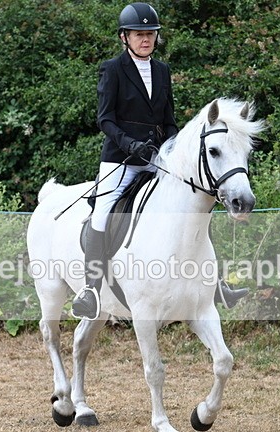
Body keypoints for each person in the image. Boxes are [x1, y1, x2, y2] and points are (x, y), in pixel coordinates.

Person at [71, 2, 247, 320]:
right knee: (102, 212)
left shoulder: (162, 71)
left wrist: (170, 150)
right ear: (125, 37)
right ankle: (91, 290)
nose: (146, 39)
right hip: (120, 160)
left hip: (157, 158)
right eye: (140, 34)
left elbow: (168, 121)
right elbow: (105, 120)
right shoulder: (112, 69)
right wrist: (132, 145)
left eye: (151, 34)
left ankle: (217, 284)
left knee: (195, 207)